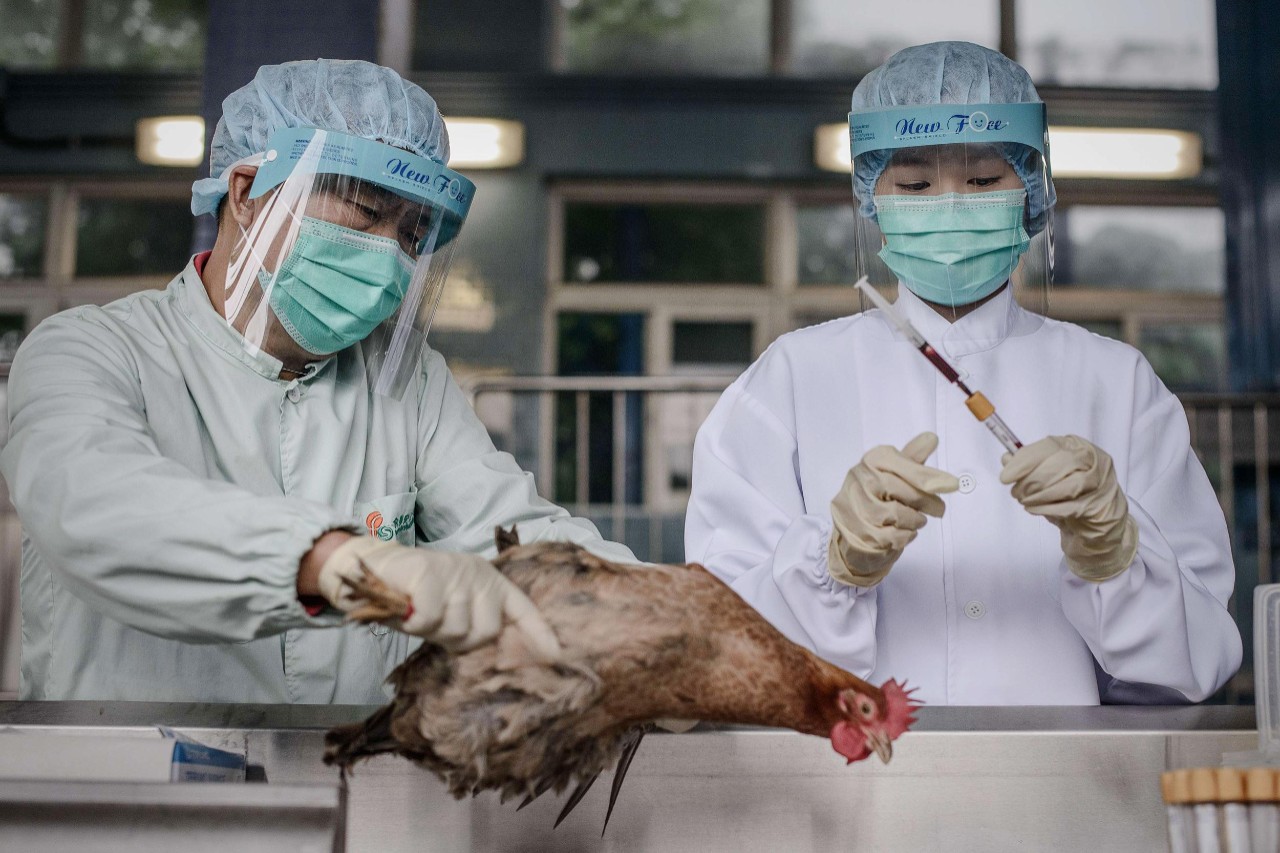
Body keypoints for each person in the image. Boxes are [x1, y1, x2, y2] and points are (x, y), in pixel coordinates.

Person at [2, 59, 635, 702]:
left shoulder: (406, 378)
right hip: (127, 759)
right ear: (247, 193)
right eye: (364, 211)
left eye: (411, 234)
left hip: (347, 761)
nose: (387, 254)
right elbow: (94, 508)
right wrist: (338, 563)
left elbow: (512, 531)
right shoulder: (91, 349)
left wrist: (656, 613)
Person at [684, 42, 1241, 705]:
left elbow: (1195, 667)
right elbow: (720, 647)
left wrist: (1116, 558)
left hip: (1065, 766)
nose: (948, 205)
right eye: (915, 186)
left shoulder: (1117, 383)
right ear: (871, 197)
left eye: (981, 181)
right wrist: (828, 565)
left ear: (1031, 191)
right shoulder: (788, 381)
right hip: (850, 766)